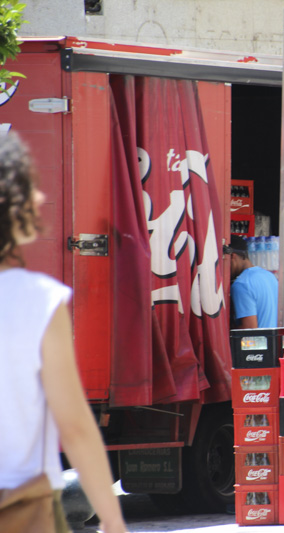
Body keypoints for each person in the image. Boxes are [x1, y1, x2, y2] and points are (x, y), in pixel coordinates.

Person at [0, 133, 127, 533]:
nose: (40, 199)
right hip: (21, 507)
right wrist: (111, 518)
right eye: (29, 188)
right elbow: (73, 425)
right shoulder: (36, 300)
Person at [224, 234, 278, 328]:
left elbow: (249, 331)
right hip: (272, 341)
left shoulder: (241, 284)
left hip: (258, 342)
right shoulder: (270, 276)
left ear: (232, 256)